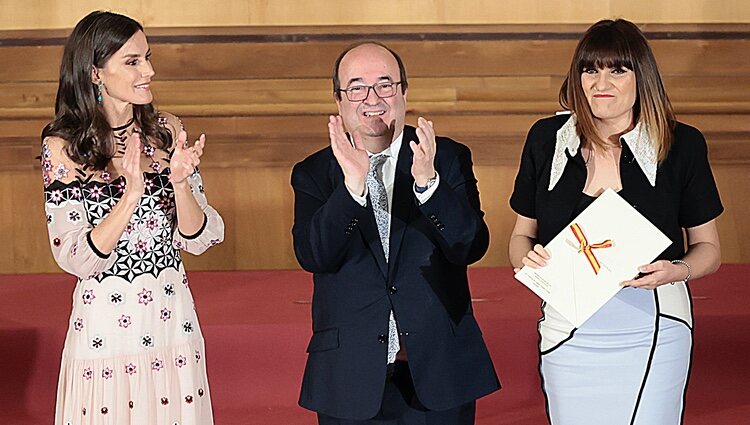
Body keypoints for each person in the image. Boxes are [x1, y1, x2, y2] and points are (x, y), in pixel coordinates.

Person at [508, 19, 723, 425]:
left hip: (654, 325)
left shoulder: (681, 144)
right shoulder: (545, 138)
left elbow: (709, 250)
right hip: (567, 330)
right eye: (590, 69)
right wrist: (528, 260)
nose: (600, 81)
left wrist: (677, 271)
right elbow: (520, 237)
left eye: (617, 69)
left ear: (641, 77)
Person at [291, 41, 500, 425]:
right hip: (350, 375)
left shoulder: (444, 157)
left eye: (385, 85)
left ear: (404, 91)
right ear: (339, 100)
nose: (372, 98)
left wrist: (429, 186)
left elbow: (470, 246)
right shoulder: (314, 173)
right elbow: (314, 254)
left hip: (437, 371)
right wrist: (352, 188)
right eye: (356, 87)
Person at [41, 11, 224, 425]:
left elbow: (199, 237)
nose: (149, 70)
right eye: (133, 61)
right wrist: (131, 196)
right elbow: (77, 258)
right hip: (106, 334)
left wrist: (179, 182)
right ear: (94, 73)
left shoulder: (166, 130)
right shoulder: (63, 148)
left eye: (148, 57)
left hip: (173, 324)